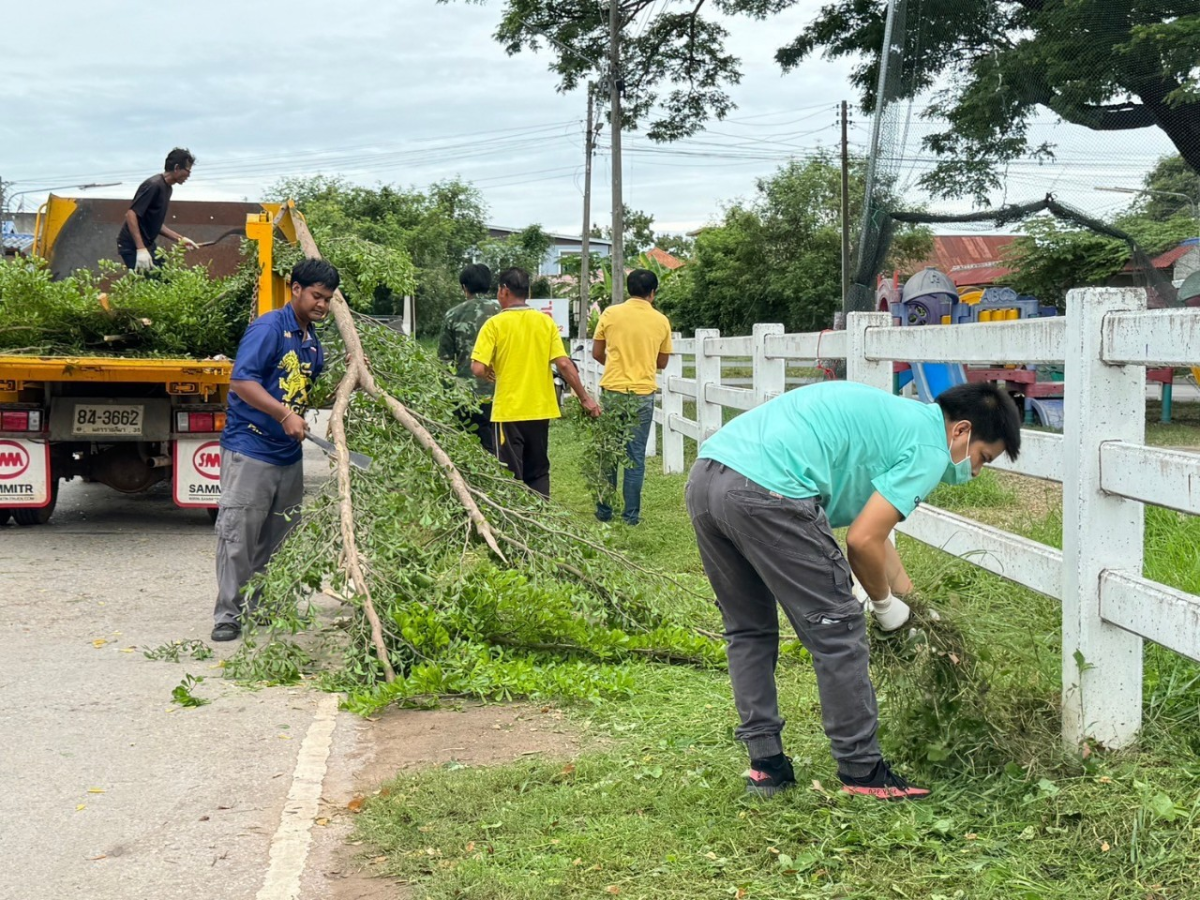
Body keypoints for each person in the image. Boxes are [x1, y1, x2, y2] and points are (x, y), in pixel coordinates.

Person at [685, 381, 1021, 800]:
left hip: (708, 476)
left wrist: (917, 609)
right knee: (839, 629)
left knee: (749, 628)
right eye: (982, 457)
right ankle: (863, 771)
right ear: (961, 431)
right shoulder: (932, 449)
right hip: (768, 489)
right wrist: (883, 606)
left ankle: (767, 766)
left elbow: (877, 538)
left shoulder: (898, 421)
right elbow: (861, 542)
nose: (974, 471)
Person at [211, 258, 339, 642]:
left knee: (279, 539)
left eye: (328, 299)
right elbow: (241, 380)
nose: (322, 305)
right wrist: (284, 414)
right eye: (317, 295)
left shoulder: (311, 341)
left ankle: (262, 605)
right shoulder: (269, 327)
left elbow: (309, 393)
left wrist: (349, 372)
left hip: (287, 456)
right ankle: (227, 615)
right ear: (296, 289)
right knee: (239, 537)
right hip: (251, 449)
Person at [471, 267, 601, 497]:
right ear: (528, 292)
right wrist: (585, 398)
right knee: (539, 470)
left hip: (509, 411)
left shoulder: (494, 324)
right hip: (540, 408)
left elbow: (477, 368)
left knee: (509, 473)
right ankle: (541, 517)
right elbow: (563, 364)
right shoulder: (545, 323)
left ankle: (516, 522)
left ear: (504, 291)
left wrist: (489, 372)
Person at [591, 268, 673, 525]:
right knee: (635, 456)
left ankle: (604, 512)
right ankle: (631, 517)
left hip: (613, 391)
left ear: (628, 289)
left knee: (609, 453)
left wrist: (616, 364)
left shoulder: (610, 314)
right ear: (653, 292)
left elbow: (596, 352)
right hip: (642, 393)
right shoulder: (661, 321)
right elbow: (662, 362)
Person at [439, 263, 500, 452]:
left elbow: (444, 361)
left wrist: (446, 394)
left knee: (471, 449)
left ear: (464, 288)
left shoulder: (453, 315)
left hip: (465, 394)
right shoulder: (503, 312)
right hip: (503, 392)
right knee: (501, 448)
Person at [116, 147, 198, 271]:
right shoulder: (154, 185)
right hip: (132, 245)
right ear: (176, 168)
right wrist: (141, 249)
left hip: (147, 244)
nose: (189, 175)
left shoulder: (167, 188)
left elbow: (156, 224)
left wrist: (180, 239)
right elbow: (131, 214)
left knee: (164, 278)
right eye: (188, 170)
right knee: (148, 284)